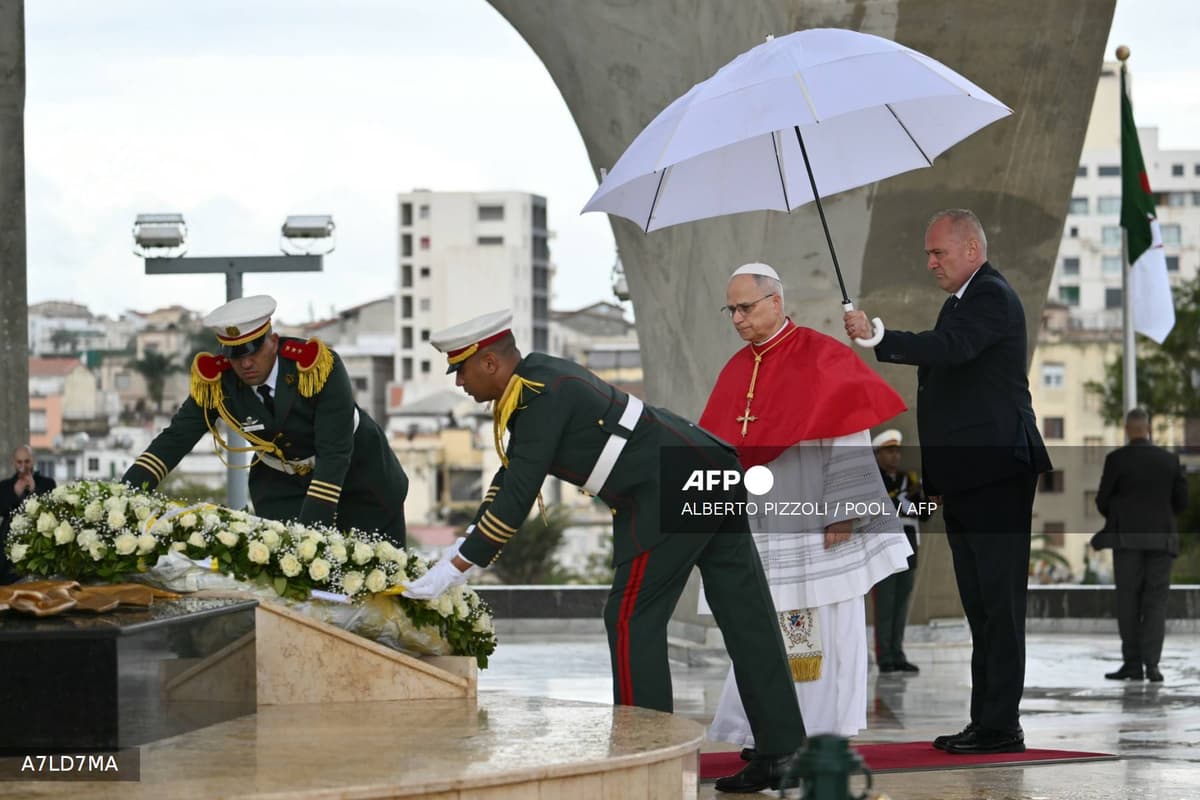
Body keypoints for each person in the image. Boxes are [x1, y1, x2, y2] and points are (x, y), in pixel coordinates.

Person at [403, 309, 807, 794]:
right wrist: (460, 552)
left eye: (461, 370)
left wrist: (457, 567)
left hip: (670, 487)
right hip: (702, 465)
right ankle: (783, 749)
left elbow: (516, 495)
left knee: (631, 617)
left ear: (489, 362)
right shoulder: (538, 381)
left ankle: (649, 756)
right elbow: (512, 476)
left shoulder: (537, 398)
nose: (460, 383)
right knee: (745, 614)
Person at [844, 209, 1051, 756]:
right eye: (928, 253)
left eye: (939, 252)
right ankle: (986, 719)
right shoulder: (961, 300)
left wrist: (880, 335)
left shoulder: (991, 298)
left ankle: (1001, 724)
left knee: (999, 604)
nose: (930, 262)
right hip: (969, 474)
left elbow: (950, 349)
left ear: (972, 251)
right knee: (980, 603)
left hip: (998, 471)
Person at [700, 262, 912, 748]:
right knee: (760, 619)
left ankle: (817, 731)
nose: (736, 318)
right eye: (730, 309)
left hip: (818, 517)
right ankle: (765, 729)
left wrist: (843, 508)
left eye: (745, 307)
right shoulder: (737, 369)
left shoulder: (823, 357)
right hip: (763, 522)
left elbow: (852, 431)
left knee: (819, 622)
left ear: (776, 302)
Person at [122, 295, 408, 544]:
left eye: (253, 351)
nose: (245, 364)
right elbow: (176, 438)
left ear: (273, 341)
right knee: (290, 580)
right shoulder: (218, 381)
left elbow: (334, 454)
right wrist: (124, 496)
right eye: (235, 355)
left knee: (373, 578)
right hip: (281, 485)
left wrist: (311, 533)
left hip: (358, 478)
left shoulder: (314, 366)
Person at [1091, 407, 1188, 683]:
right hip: (1162, 540)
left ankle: (1132, 664)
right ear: (1148, 429)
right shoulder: (1170, 460)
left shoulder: (1116, 460)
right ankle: (1152, 666)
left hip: (1127, 541)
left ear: (1126, 429)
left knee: (1128, 601)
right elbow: (1181, 503)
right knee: (1156, 602)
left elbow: (1101, 502)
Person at [871, 428, 930, 674]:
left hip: (908, 545)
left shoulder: (911, 481)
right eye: (889, 451)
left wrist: (909, 504)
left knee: (901, 604)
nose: (895, 456)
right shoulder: (874, 481)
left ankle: (898, 653)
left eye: (897, 451)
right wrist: (906, 505)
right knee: (885, 604)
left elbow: (925, 512)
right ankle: (884, 656)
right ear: (877, 454)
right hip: (883, 546)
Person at [0, 445, 58, 583]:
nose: (23, 466)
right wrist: (15, 493)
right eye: (19, 462)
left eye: (27, 461)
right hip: (9, 548)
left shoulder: (47, 483)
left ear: (33, 461)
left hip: (38, 545)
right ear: (14, 463)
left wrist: (34, 490)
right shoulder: (5, 486)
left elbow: (51, 509)